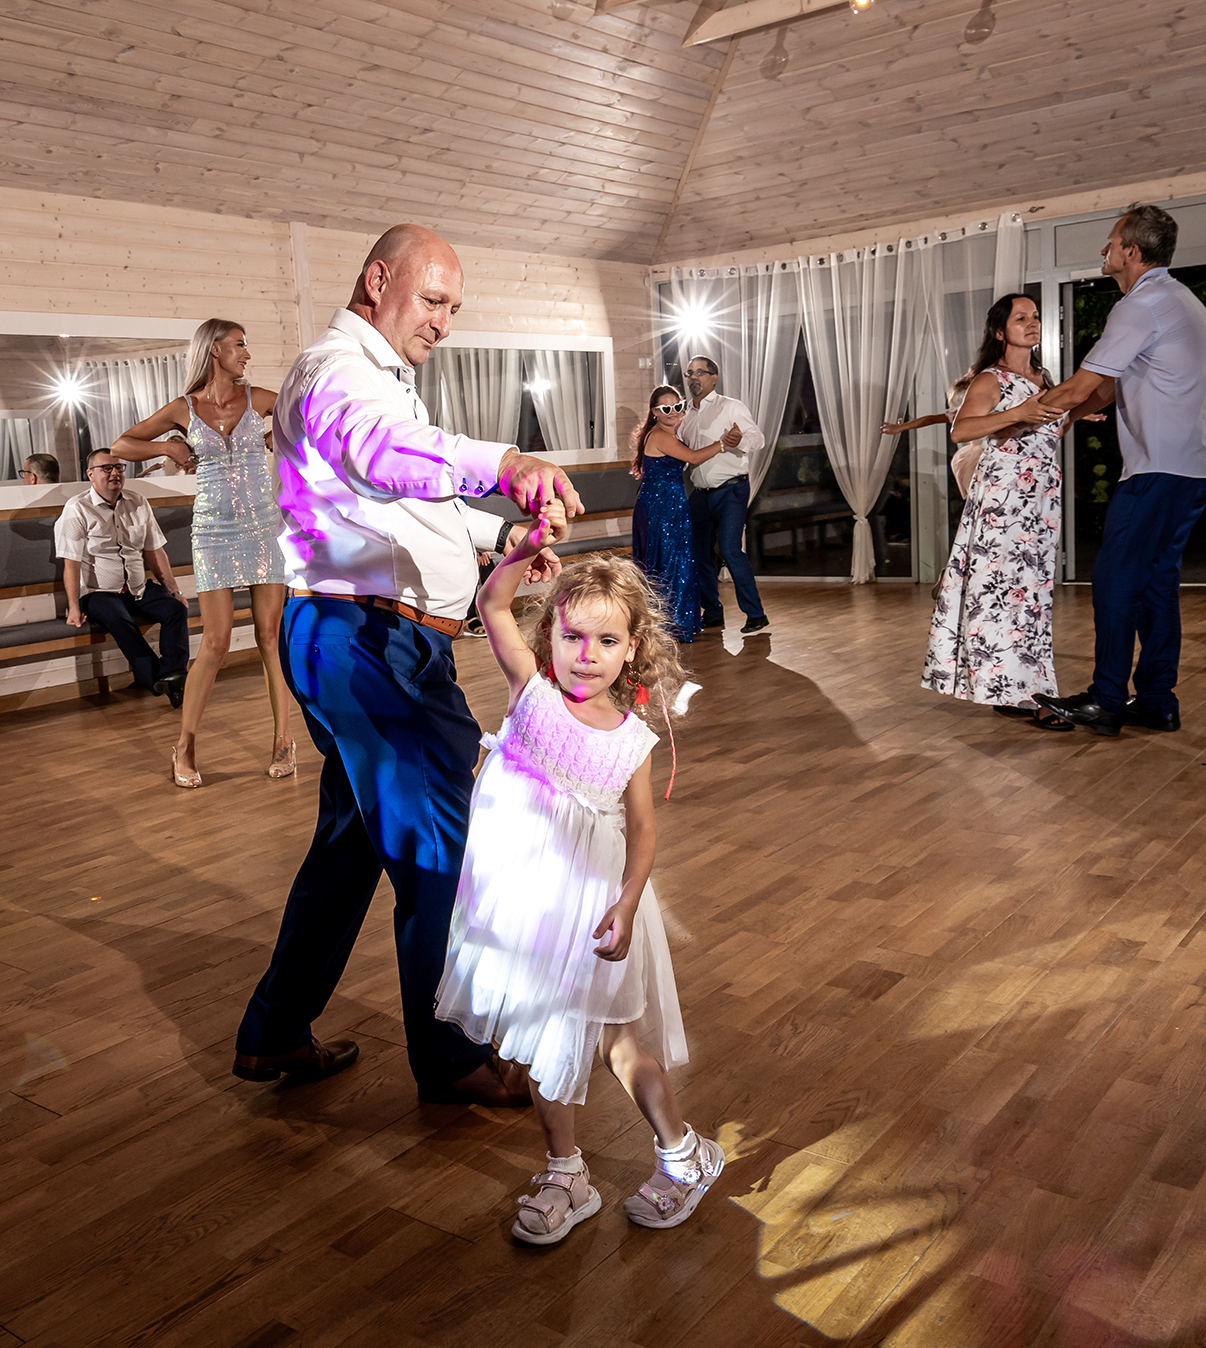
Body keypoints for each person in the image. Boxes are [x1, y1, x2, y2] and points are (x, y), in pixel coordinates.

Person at [233, 222, 581, 1108]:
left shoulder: (381, 378)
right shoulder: (336, 371)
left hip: (369, 641)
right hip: (367, 645)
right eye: (432, 301)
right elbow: (381, 456)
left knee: (350, 848)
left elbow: (410, 504)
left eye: (452, 308)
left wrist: (501, 533)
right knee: (444, 850)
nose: (443, 323)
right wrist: (504, 462)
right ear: (377, 280)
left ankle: (275, 1032)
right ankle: (453, 1058)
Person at [436, 524, 721, 1244]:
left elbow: (643, 831)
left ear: (632, 649)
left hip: (594, 910)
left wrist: (627, 901)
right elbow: (493, 604)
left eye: (605, 641)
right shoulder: (529, 694)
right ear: (550, 639)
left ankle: (684, 1154)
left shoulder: (631, 740)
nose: (585, 655)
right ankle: (566, 1173)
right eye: (571, 637)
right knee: (539, 1039)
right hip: (524, 906)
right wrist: (519, 550)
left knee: (619, 1045)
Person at [1030, 204, 1206, 737]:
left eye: (1111, 243)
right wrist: (1071, 414)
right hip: (1195, 467)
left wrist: (1014, 419)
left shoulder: (1140, 306)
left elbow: (1078, 385)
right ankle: (1157, 700)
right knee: (1156, 582)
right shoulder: (1179, 300)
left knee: (1115, 579)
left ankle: (1107, 699)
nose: (1105, 251)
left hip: (1158, 470)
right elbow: (1110, 383)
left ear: (1132, 252)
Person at [113, 319, 296, 787]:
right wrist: (169, 447)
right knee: (215, 643)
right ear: (215, 350)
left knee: (270, 637)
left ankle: (284, 740)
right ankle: (185, 744)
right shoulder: (184, 408)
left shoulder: (259, 399)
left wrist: (280, 436)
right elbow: (121, 445)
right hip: (213, 531)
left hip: (262, 526)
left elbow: (309, 418)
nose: (246, 354)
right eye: (240, 345)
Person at [920, 294, 1082, 729]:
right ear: (999, 331)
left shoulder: (1043, 378)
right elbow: (961, 430)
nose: (1032, 323)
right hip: (1003, 500)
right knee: (1002, 596)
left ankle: (1012, 690)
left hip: (1040, 499)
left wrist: (1073, 416)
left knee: (1032, 597)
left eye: (1035, 317)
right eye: (1020, 318)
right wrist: (1017, 412)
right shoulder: (991, 379)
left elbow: (1045, 429)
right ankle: (1033, 695)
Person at [55, 450, 192, 710]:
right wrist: (73, 607)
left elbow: (155, 551)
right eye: (106, 468)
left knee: (175, 609)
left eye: (119, 467)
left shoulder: (138, 502)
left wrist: (174, 591)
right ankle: (160, 681)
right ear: (90, 474)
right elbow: (71, 562)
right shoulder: (77, 508)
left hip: (138, 588)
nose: (115, 473)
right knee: (120, 620)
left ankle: (173, 674)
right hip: (98, 592)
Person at [679, 356, 768, 636]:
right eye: (689, 373)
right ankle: (713, 612)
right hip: (700, 493)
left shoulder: (731, 406)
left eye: (700, 372)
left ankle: (756, 614)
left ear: (713, 377)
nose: (694, 378)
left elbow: (758, 439)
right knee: (698, 553)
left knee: (729, 549)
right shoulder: (684, 415)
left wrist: (740, 440)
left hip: (731, 489)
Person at [630, 387, 727, 642]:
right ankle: (669, 625)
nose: (673, 412)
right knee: (670, 561)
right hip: (660, 506)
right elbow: (693, 457)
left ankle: (669, 623)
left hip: (668, 503)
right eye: (666, 408)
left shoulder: (669, 432)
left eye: (677, 406)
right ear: (655, 412)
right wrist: (723, 443)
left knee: (671, 560)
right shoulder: (660, 436)